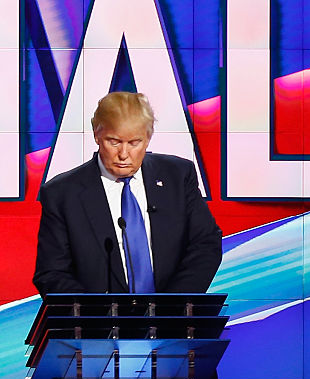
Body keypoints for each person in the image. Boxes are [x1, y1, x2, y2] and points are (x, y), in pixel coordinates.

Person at [33, 91, 222, 295]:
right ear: (97, 134)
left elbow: (205, 243)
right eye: (114, 142)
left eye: (134, 143)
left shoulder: (177, 176)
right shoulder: (62, 194)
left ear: (148, 138)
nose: (123, 154)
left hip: (172, 313)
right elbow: (52, 273)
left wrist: (172, 305)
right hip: (97, 315)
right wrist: (97, 311)